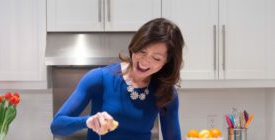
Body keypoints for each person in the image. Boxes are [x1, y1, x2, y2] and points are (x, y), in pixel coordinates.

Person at [50, 18, 185, 140]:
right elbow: (57, 126)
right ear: (135, 46)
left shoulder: (166, 92)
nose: (145, 61)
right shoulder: (99, 78)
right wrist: (87, 121)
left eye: (156, 58)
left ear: (167, 62)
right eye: (142, 51)